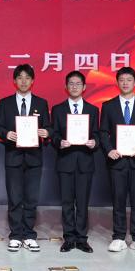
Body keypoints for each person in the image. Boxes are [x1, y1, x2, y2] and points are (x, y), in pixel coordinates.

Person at [98, 66, 135, 254]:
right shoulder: (108, 106)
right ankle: (119, 236)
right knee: (118, 199)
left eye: (129, 80)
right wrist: (109, 150)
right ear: (117, 82)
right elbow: (103, 132)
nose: (125, 83)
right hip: (118, 161)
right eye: (122, 80)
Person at [0, 64, 51, 252]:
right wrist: (6, 134)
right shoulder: (5, 103)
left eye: (27, 78)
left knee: (31, 199)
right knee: (14, 198)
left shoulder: (41, 103)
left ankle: (28, 235)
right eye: (20, 77)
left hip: (34, 158)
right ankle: (15, 235)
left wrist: (46, 132)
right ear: (14, 81)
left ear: (32, 81)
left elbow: (49, 127)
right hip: (13, 157)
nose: (23, 81)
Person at [52, 70, 99, 253]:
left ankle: (82, 238)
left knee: (82, 203)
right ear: (66, 87)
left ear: (84, 87)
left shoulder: (93, 110)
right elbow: (54, 134)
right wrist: (59, 142)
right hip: (65, 161)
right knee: (67, 203)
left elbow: (97, 134)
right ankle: (69, 238)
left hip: (85, 162)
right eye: (71, 84)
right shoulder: (58, 109)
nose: (74, 87)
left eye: (78, 84)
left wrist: (94, 142)